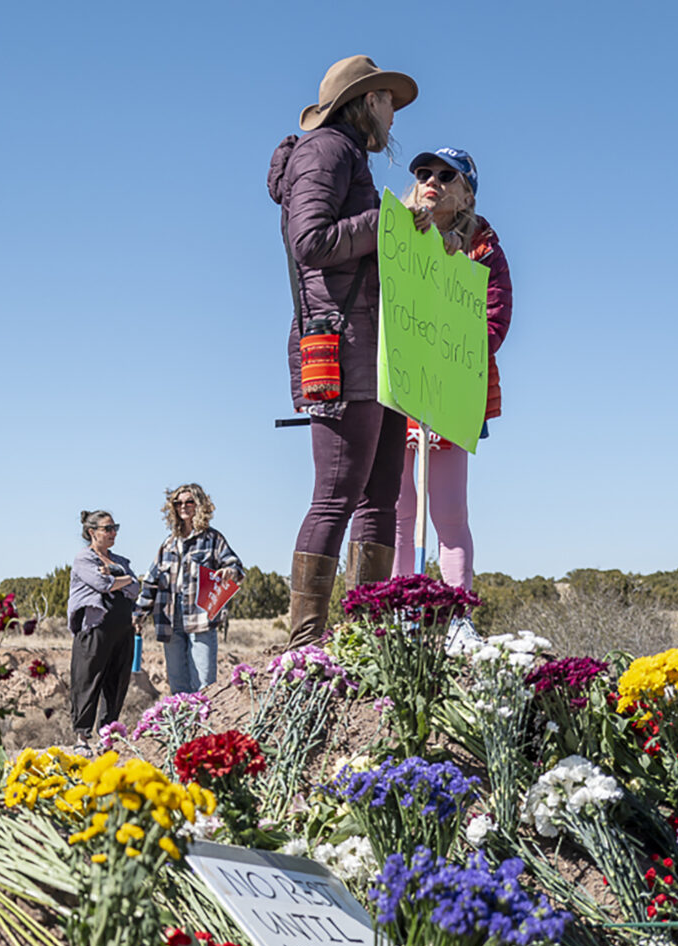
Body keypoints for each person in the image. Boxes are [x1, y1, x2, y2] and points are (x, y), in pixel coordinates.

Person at [267, 54, 419, 646]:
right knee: (336, 495)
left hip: (379, 350)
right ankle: (305, 645)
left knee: (379, 497)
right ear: (363, 101)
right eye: (387, 99)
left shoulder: (348, 156)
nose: (392, 112)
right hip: (340, 341)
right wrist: (388, 222)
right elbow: (310, 240)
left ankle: (364, 641)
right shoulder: (325, 151)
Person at [389, 148, 512, 594]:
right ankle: (400, 611)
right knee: (400, 511)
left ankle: (456, 611)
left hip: (452, 395)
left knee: (449, 513)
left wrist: (457, 266)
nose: (432, 181)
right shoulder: (392, 230)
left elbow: (494, 323)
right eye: (424, 172)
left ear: (466, 197)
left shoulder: (484, 250)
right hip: (397, 389)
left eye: (447, 176)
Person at [134, 484, 242, 695]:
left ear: (199, 505)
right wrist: (138, 614)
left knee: (203, 685)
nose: (183, 506)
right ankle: (183, 726)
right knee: (177, 686)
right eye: (178, 503)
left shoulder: (213, 539)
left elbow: (234, 565)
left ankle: (203, 726)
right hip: (169, 618)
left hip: (200, 617)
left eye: (189, 501)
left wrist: (229, 572)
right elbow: (151, 582)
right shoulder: (168, 543)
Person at [69, 509, 139, 744]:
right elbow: (100, 584)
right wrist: (124, 580)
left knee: (117, 682)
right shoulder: (84, 558)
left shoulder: (120, 561)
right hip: (95, 628)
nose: (113, 533)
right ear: (92, 532)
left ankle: (107, 736)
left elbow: (136, 588)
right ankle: (82, 738)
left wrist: (122, 578)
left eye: (115, 528)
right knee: (87, 681)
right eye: (107, 529)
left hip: (123, 629)